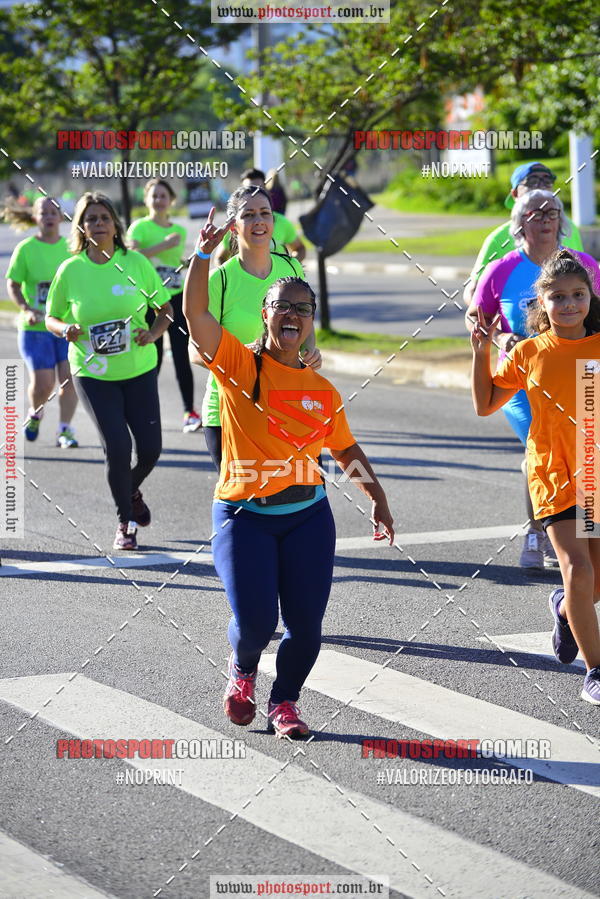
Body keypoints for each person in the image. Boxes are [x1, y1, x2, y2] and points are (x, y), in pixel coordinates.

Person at [184, 207, 395, 737]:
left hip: (307, 516)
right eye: (283, 306)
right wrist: (203, 253)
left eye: (303, 308)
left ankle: (285, 703)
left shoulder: (322, 390)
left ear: (311, 320)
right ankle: (243, 669)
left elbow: (344, 449)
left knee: (306, 628)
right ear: (266, 314)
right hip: (244, 515)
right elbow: (196, 314)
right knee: (256, 623)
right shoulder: (239, 366)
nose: (292, 315)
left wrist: (377, 498)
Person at [471, 249, 600, 705]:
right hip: (553, 474)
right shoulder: (529, 352)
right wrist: (481, 352)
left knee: (591, 584)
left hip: (594, 474)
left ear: (590, 297)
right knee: (576, 568)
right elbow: (485, 404)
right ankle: (595, 671)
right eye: (558, 296)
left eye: (578, 294)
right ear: (541, 303)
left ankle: (564, 609)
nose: (569, 304)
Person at [465, 190, 600, 569]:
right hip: (525, 373)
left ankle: (573, 546)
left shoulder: (585, 264)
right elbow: (476, 316)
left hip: (581, 372)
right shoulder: (501, 268)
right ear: (520, 222)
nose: (545, 219)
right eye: (536, 213)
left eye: (552, 212)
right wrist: (497, 340)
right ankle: (542, 529)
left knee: (582, 447)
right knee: (542, 444)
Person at [46, 192, 172, 551]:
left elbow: (165, 309)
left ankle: (128, 489)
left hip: (138, 368)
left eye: (104, 218)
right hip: (93, 372)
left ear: (115, 225)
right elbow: (51, 316)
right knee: (118, 447)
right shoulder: (71, 270)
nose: (98, 224)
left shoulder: (135, 263)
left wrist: (153, 334)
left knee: (150, 449)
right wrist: (65, 329)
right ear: (81, 228)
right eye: (91, 219)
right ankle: (125, 523)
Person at [200, 185, 319, 473]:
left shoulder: (291, 268)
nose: (259, 221)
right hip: (231, 411)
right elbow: (197, 350)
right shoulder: (219, 281)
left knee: (305, 489)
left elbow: (304, 323)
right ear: (233, 226)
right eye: (248, 214)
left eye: (265, 213)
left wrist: (310, 351)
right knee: (246, 495)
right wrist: (246, 362)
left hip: (287, 403)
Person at [127, 179, 201, 433]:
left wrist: (185, 261)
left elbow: (172, 260)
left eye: (163, 196)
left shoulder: (178, 230)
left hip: (175, 297)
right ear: (146, 199)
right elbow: (133, 258)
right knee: (153, 356)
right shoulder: (139, 227)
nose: (159, 200)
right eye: (154, 196)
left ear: (171, 200)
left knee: (182, 356)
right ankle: (144, 411)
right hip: (149, 300)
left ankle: (189, 412)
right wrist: (165, 245)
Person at [5, 197, 79, 448]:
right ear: (35, 217)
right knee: (44, 384)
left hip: (65, 327)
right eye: (43, 213)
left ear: (60, 217)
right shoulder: (26, 249)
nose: (49, 217)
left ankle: (65, 430)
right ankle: (35, 414)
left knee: (69, 380)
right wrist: (26, 308)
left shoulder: (71, 247)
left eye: (53, 212)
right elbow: (13, 284)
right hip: (35, 328)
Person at [463, 162, 584, 307]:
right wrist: (489, 317)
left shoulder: (569, 228)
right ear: (515, 194)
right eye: (532, 181)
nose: (540, 186)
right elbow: (474, 290)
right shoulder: (498, 239)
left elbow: (585, 279)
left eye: (547, 181)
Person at [215, 168, 306, 265]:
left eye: (258, 189)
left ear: (266, 190)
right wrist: (229, 273)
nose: (254, 194)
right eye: (249, 190)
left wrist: (289, 267)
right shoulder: (234, 224)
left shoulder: (282, 222)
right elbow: (220, 258)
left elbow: (300, 248)